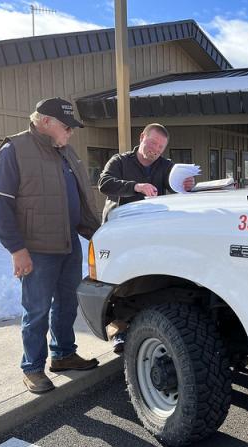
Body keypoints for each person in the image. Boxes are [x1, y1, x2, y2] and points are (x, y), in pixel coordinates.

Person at [0, 97, 101, 394]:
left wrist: (98, 234)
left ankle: (63, 355)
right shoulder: (15, 150)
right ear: (46, 122)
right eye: (67, 126)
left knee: (67, 304)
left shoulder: (64, 151)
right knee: (36, 310)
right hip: (36, 248)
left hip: (68, 243)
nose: (72, 132)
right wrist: (17, 249)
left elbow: (80, 198)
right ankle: (32, 368)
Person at [98, 123, 194, 352]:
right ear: (142, 137)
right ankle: (118, 329)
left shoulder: (167, 166)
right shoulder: (120, 161)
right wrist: (136, 187)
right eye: (152, 143)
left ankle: (141, 323)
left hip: (150, 235)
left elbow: (177, 189)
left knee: (145, 280)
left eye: (161, 147)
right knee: (118, 282)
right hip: (119, 233)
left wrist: (188, 185)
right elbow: (104, 184)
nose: (155, 150)